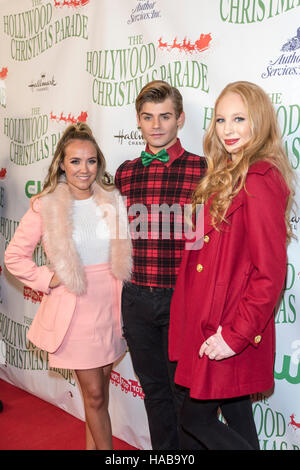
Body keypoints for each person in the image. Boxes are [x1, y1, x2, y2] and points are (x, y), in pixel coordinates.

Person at [168, 80, 295, 450]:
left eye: (239, 119)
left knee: (194, 419)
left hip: (229, 326)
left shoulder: (259, 179)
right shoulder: (224, 174)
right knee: (237, 415)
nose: (228, 130)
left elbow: (270, 274)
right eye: (221, 120)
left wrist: (234, 335)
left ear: (259, 121)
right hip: (207, 320)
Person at [4, 123, 132, 450]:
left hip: (112, 306)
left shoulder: (113, 200)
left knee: (97, 398)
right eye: (75, 161)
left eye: (90, 161)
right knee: (96, 395)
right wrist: (48, 277)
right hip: (76, 310)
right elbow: (14, 256)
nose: (83, 169)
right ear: (62, 162)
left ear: (98, 163)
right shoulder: (46, 205)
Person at [115, 80, 207, 450]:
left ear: (180, 119)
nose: (156, 125)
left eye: (165, 116)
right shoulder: (124, 172)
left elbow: (210, 242)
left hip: (181, 300)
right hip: (135, 299)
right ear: (138, 120)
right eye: (148, 117)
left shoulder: (203, 170)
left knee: (185, 397)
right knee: (154, 393)